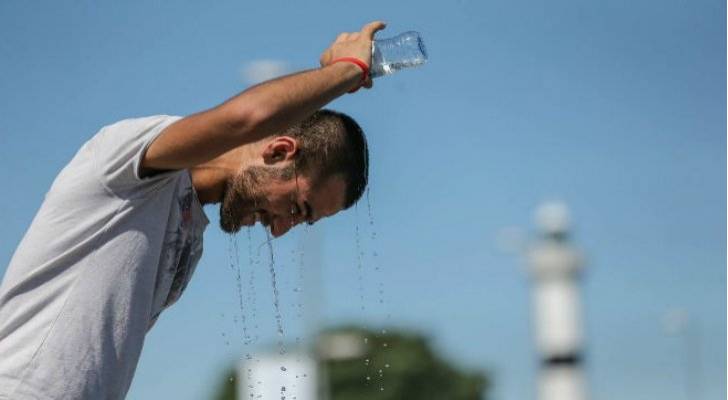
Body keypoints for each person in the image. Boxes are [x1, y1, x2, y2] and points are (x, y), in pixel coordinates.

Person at [0, 21, 386, 400]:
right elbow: (245, 119)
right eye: (296, 207)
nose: (280, 229)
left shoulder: (189, 237)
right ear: (280, 152)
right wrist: (347, 71)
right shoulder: (129, 162)